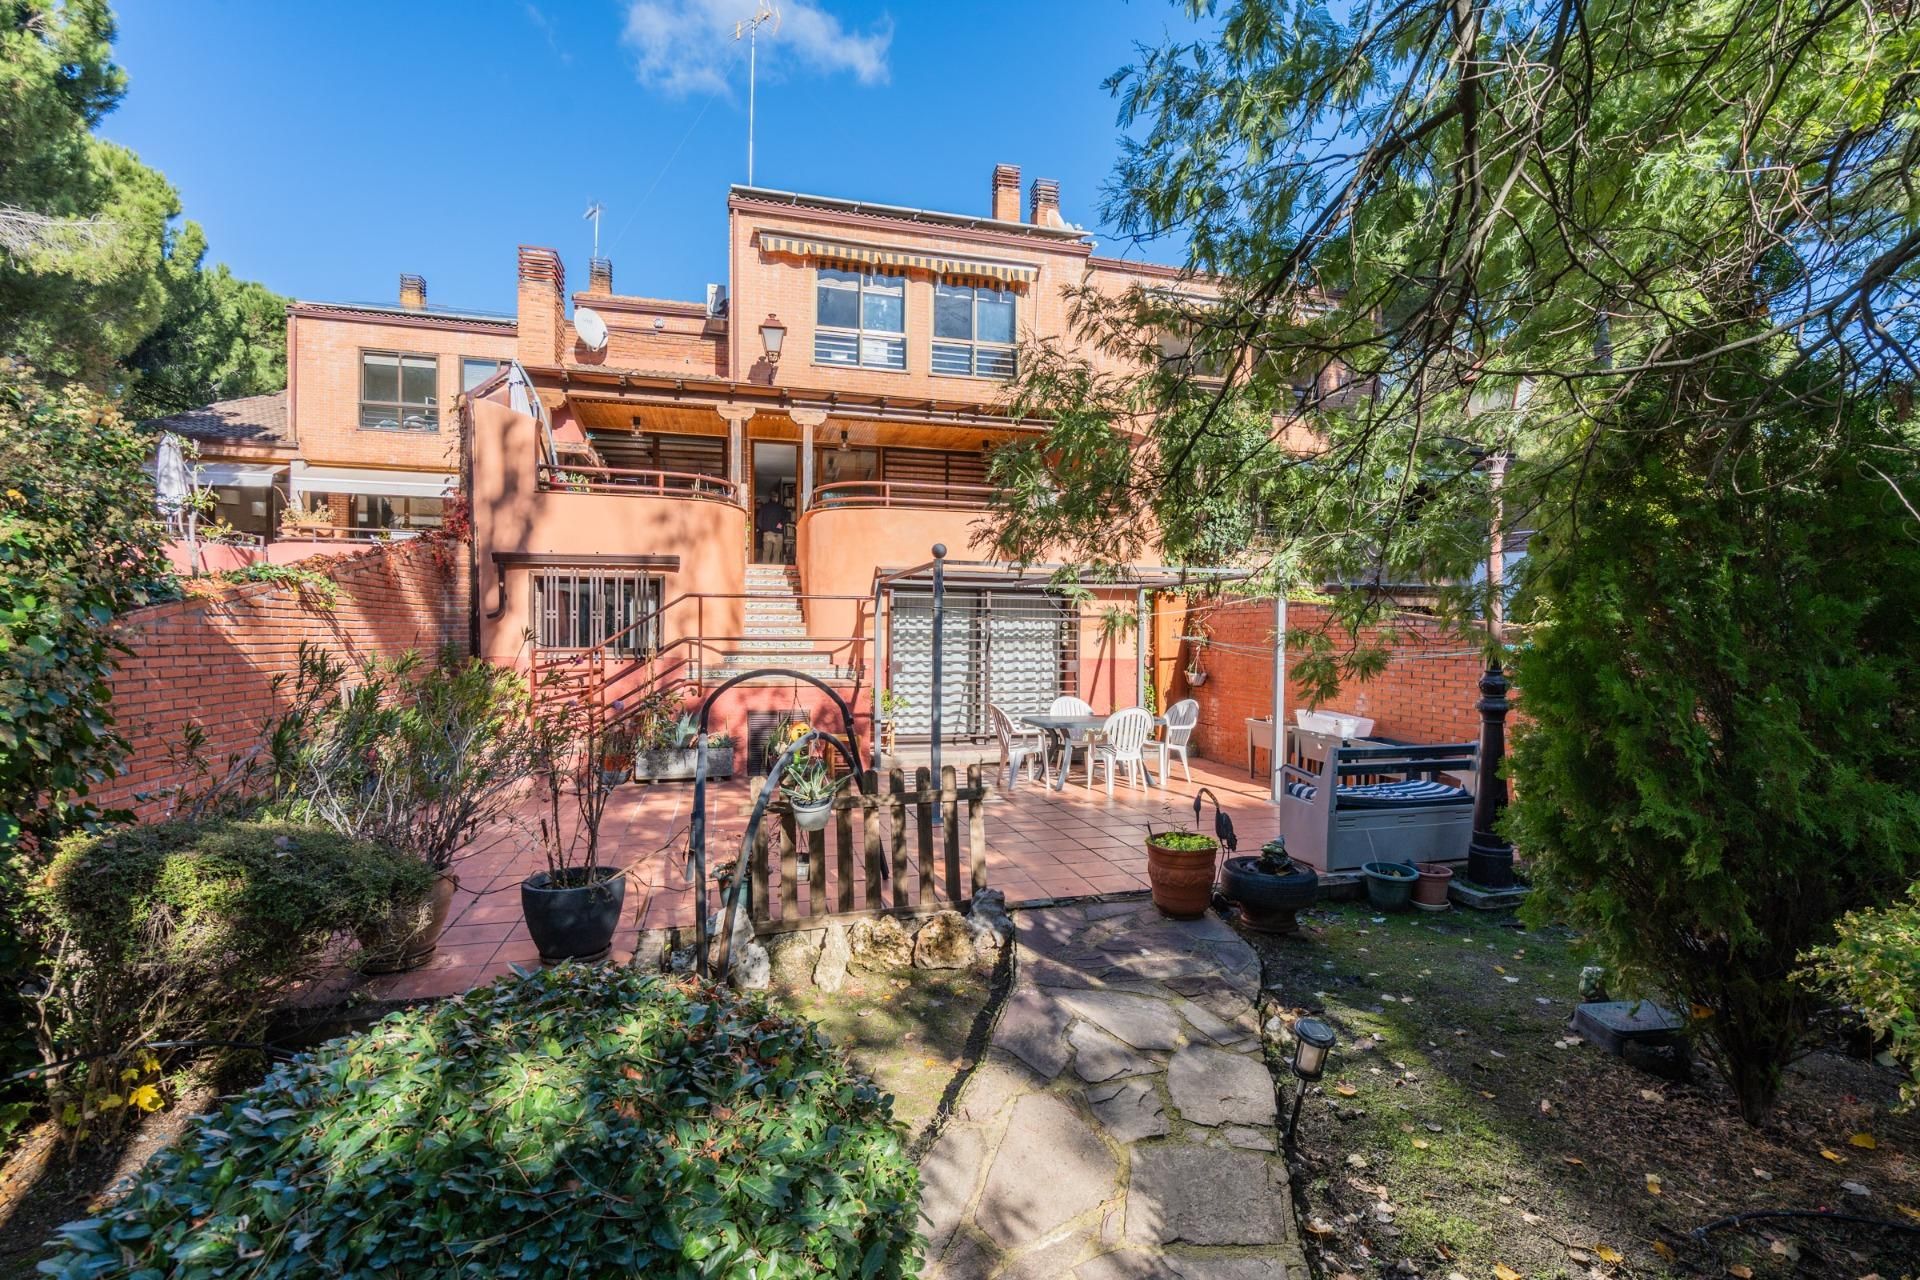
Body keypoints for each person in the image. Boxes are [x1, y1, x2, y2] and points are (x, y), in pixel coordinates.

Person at [755, 492, 790, 563]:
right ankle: (775, 571)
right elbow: (787, 518)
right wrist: (780, 525)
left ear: (770, 497)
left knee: (766, 554)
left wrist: (764, 528)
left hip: (767, 533)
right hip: (778, 534)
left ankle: (766, 571)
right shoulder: (781, 507)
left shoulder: (764, 507)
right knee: (776, 554)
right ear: (777, 498)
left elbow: (758, 520)